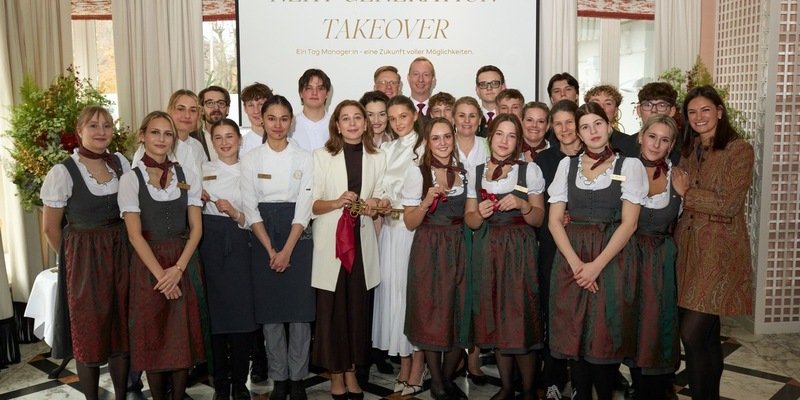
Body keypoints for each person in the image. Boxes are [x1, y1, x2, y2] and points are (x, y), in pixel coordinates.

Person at [547, 102, 647, 400]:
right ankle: (580, 394)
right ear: (577, 133)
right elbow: (554, 222)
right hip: (571, 256)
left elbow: (629, 224)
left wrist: (595, 266)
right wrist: (578, 265)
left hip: (611, 258)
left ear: (609, 124)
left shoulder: (629, 165)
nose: (592, 131)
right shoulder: (568, 165)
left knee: (603, 335)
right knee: (573, 332)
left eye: (598, 124)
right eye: (585, 127)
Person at [41, 106, 132, 400]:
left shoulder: (120, 163)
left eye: (106, 126)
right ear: (79, 131)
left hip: (121, 252)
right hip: (84, 258)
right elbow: (50, 229)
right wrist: (73, 260)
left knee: (120, 328)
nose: (101, 131)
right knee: (88, 331)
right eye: (93, 126)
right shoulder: (63, 172)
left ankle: (121, 395)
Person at [671, 85, 754, 400]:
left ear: (719, 111)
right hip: (688, 252)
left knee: (691, 335)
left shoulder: (739, 149)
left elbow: (728, 204)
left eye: (705, 109)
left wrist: (687, 192)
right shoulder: (690, 148)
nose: (698, 117)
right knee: (707, 336)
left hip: (719, 254)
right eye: (692, 112)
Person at [118, 111, 208, 400]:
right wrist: (162, 275)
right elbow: (134, 235)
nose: (161, 139)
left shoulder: (187, 175)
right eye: (155, 132)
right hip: (148, 266)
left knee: (181, 339)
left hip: (183, 261)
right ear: (142, 136)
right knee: (154, 337)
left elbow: (196, 229)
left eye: (167, 134)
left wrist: (178, 270)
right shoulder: (131, 179)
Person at [310, 100, 390, 399]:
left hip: (362, 244)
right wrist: (337, 201)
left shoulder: (378, 157)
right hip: (331, 245)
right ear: (337, 124)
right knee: (332, 313)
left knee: (357, 311)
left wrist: (376, 206)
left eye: (359, 117)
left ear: (366, 123)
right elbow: (314, 204)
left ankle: (353, 371)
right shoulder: (321, 156)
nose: (353, 123)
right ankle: (336, 374)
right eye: (346, 118)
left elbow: (383, 199)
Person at [465, 114, 547, 400]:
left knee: (520, 317)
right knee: (496, 316)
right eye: (500, 134)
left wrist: (524, 205)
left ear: (518, 141)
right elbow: (470, 219)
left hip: (519, 250)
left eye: (511, 136)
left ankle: (527, 390)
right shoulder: (476, 171)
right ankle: (506, 386)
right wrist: (479, 214)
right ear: (491, 137)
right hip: (487, 248)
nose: (504, 141)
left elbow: (538, 218)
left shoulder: (529, 171)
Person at [241, 95, 316, 400]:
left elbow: (305, 206)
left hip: (297, 237)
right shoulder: (251, 159)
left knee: (300, 313)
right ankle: (278, 377)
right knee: (271, 315)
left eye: (284, 119)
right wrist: (271, 250)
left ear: (291, 121)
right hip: (262, 239)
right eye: (272, 118)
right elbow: (249, 207)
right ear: (262, 119)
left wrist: (286, 250)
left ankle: (297, 378)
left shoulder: (304, 158)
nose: (278, 125)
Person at [403, 117, 469, 400]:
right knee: (431, 313)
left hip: (461, 245)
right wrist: (426, 202)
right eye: (436, 138)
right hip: (429, 246)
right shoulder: (417, 173)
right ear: (427, 143)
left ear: (453, 138)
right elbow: (409, 222)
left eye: (447, 137)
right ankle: (439, 383)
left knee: (460, 310)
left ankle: (446, 379)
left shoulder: (464, 172)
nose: (442, 143)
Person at [198, 118, 256, 400]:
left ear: (240, 140)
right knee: (217, 319)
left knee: (242, 318)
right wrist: (197, 200)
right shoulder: (203, 170)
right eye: (218, 137)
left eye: (229, 136)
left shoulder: (250, 170)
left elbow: (254, 218)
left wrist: (235, 213)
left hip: (241, 246)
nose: (224, 142)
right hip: (210, 247)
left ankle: (240, 382)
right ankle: (221, 383)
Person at [625, 114, 682, 400]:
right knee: (632, 319)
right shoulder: (622, 169)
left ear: (671, 146)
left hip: (661, 257)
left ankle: (660, 385)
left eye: (664, 140)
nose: (656, 144)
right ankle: (636, 383)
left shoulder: (678, 176)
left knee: (659, 320)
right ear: (640, 136)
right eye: (652, 136)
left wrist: (688, 196)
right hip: (627, 254)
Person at [372, 95, 426, 396]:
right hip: (390, 233)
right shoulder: (387, 148)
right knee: (393, 298)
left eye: (403, 116)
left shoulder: (423, 146)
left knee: (410, 299)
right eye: (392, 119)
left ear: (414, 116)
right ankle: (403, 363)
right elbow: (381, 188)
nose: (397, 123)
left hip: (413, 233)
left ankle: (417, 366)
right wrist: (378, 201)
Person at [533, 100, 582, 400]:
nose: (564, 129)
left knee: (581, 316)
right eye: (559, 123)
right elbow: (540, 209)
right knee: (553, 314)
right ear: (552, 126)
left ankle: (579, 381)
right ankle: (552, 378)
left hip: (586, 245)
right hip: (551, 247)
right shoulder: (543, 161)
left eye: (570, 123)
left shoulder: (595, 155)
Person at [131, 90, 206, 176]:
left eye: (193, 110)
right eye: (181, 109)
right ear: (170, 111)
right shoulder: (155, 146)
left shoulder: (197, 145)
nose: (187, 115)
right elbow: (137, 182)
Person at [634, 82, 680, 165]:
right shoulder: (621, 148)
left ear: (672, 111)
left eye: (661, 105)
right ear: (638, 110)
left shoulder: (684, 151)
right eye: (647, 105)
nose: (654, 110)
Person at [584, 84, 637, 157]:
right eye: (596, 103)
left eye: (608, 103)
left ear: (615, 111)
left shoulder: (630, 143)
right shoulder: (578, 143)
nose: (601, 107)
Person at [292, 69, 333, 153]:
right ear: (301, 93)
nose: (314, 93)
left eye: (320, 88)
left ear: (327, 94)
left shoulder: (336, 125)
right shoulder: (291, 125)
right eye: (308, 88)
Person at [453, 96, 490, 171]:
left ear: (479, 120)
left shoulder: (490, 146)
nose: (467, 121)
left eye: (472, 116)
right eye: (461, 116)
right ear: (453, 119)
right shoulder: (443, 145)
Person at [196, 85, 232, 161]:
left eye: (221, 103)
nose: (216, 108)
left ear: (227, 109)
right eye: (210, 103)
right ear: (202, 109)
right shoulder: (192, 139)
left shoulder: (237, 139)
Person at [240, 82, 274, 155]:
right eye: (250, 105)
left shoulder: (286, 141)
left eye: (261, 104)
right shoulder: (240, 146)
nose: (256, 111)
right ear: (245, 108)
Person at [475, 65, 506, 137]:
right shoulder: (470, 120)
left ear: (503, 87)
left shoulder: (511, 117)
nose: (489, 88)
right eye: (483, 84)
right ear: (477, 90)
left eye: (494, 83)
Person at [406, 57, 436, 132]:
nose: (420, 80)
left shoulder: (440, 111)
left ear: (433, 79)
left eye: (426, 75)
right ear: (408, 78)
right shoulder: (400, 109)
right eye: (416, 74)